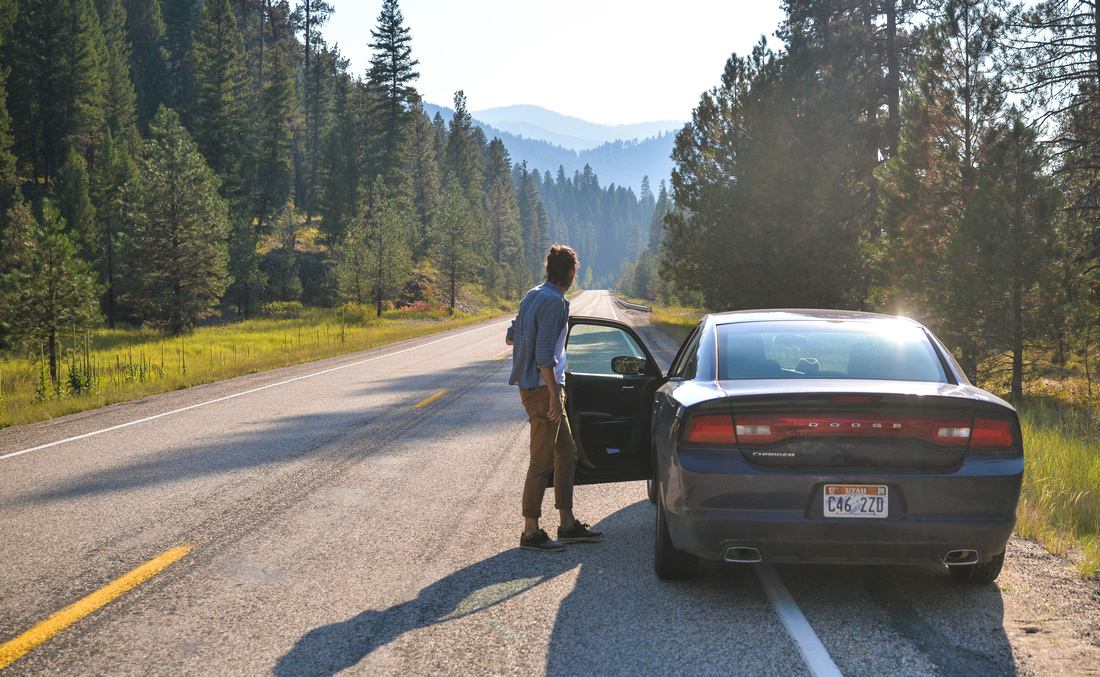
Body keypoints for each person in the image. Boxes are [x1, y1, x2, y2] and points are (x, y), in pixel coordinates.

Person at [506, 244, 603, 551]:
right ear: (571, 272)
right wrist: (552, 396)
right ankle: (530, 531)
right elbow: (544, 356)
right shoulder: (555, 303)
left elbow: (511, 335)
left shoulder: (533, 295)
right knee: (541, 462)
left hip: (534, 386)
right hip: (543, 389)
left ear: (549, 269)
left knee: (567, 453)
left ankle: (567, 523)